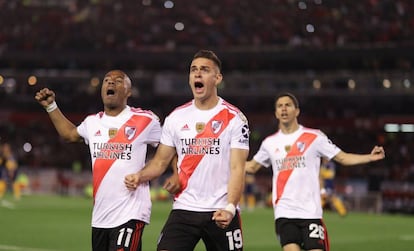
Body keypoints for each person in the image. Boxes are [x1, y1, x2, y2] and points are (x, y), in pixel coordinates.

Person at [124, 49, 250, 251]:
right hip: (185, 209)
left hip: (220, 210)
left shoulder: (235, 118)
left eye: (205, 70)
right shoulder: (176, 118)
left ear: (217, 78)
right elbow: (160, 162)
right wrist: (139, 176)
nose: (197, 74)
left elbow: (237, 168)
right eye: (193, 70)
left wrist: (229, 208)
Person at [34, 69, 162, 251]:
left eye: (118, 81)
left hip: (130, 214)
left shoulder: (145, 120)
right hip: (100, 217)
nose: (110, 83)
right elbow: (70, 134)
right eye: (106, 81)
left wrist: (146, 173)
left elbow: (169, 148)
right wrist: (51, 106)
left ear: (128, 91)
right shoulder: (92, 123)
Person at [245, 92, 385, 251]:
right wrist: (226, 162)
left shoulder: (314, 137)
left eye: (288, 105)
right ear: (276, 113)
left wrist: (369, 158)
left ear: (297, 111)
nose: (284, 109)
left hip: (310, 213)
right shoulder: (269, 143)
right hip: (284, 213)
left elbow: (343, 158)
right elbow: (251, 167)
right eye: (279, 106)